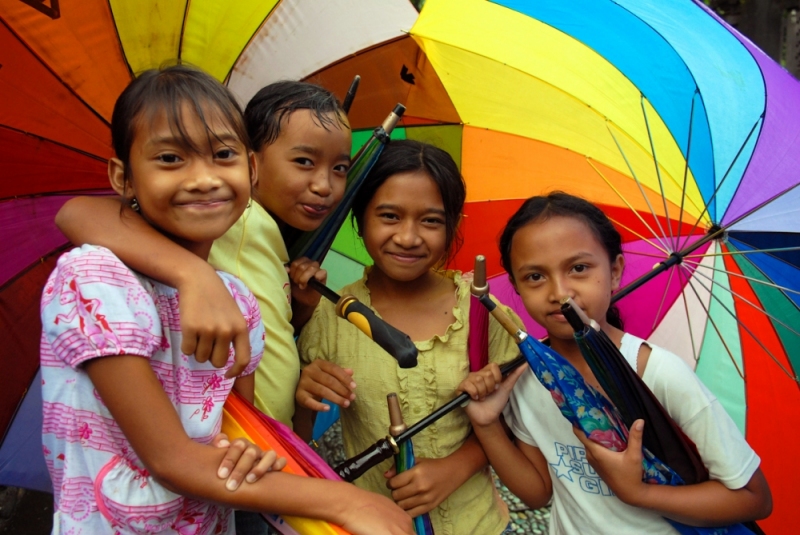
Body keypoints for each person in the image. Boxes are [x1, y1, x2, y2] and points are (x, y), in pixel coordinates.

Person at [40, 64, 413, 535]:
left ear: (249, 168)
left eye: (222, 154)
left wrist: (248, 450)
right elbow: (171, 459)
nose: (203, 178)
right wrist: (343, 501)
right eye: (171, 159)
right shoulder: (95, 279)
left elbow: (237, 426)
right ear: (123, 177)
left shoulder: (238, 298)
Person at [457, 192, 773, 534]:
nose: (559, 292)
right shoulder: (525, 376)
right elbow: (537, 493)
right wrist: (488, 425)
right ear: (516, 287)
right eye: (535, 276)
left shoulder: (658, 374)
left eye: (579, 268)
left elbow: (754, 498)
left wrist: (639, 493)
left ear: (616, 271)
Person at [55, 81, 352, 430]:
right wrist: (193, 273)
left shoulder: (269, 232)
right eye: (303, 161)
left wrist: (300, 307)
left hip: (262, 436)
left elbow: (268, 332)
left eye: (340, 168)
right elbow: (75, 213)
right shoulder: (229, 211)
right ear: (252, 161)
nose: (324, 185)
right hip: (236, 433)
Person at [295, 139, 520, 535]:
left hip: (479, 523)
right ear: (360, 220)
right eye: (389, 216)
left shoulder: (482, 313)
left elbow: (518, 423)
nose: (408, 237)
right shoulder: (332, 315)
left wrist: (456, 468)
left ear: (452, 226)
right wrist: (305, 393)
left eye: (430, 220)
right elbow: (295, 437)